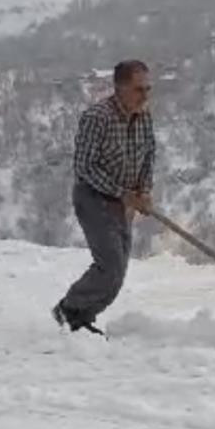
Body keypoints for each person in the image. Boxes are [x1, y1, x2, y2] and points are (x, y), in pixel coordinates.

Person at [52, 59, 156, 334]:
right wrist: (123, 194)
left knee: (117, 272)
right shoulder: (97, 118)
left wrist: (143, 190)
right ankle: (71, 310)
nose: (145, 96)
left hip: (124, 203)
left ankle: (83, 316)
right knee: (109, 265)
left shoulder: (144, 116)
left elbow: (149, 155)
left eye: (148, 89)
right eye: (139, 89)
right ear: (120, 88)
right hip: (94, 198)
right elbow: (84, 167)